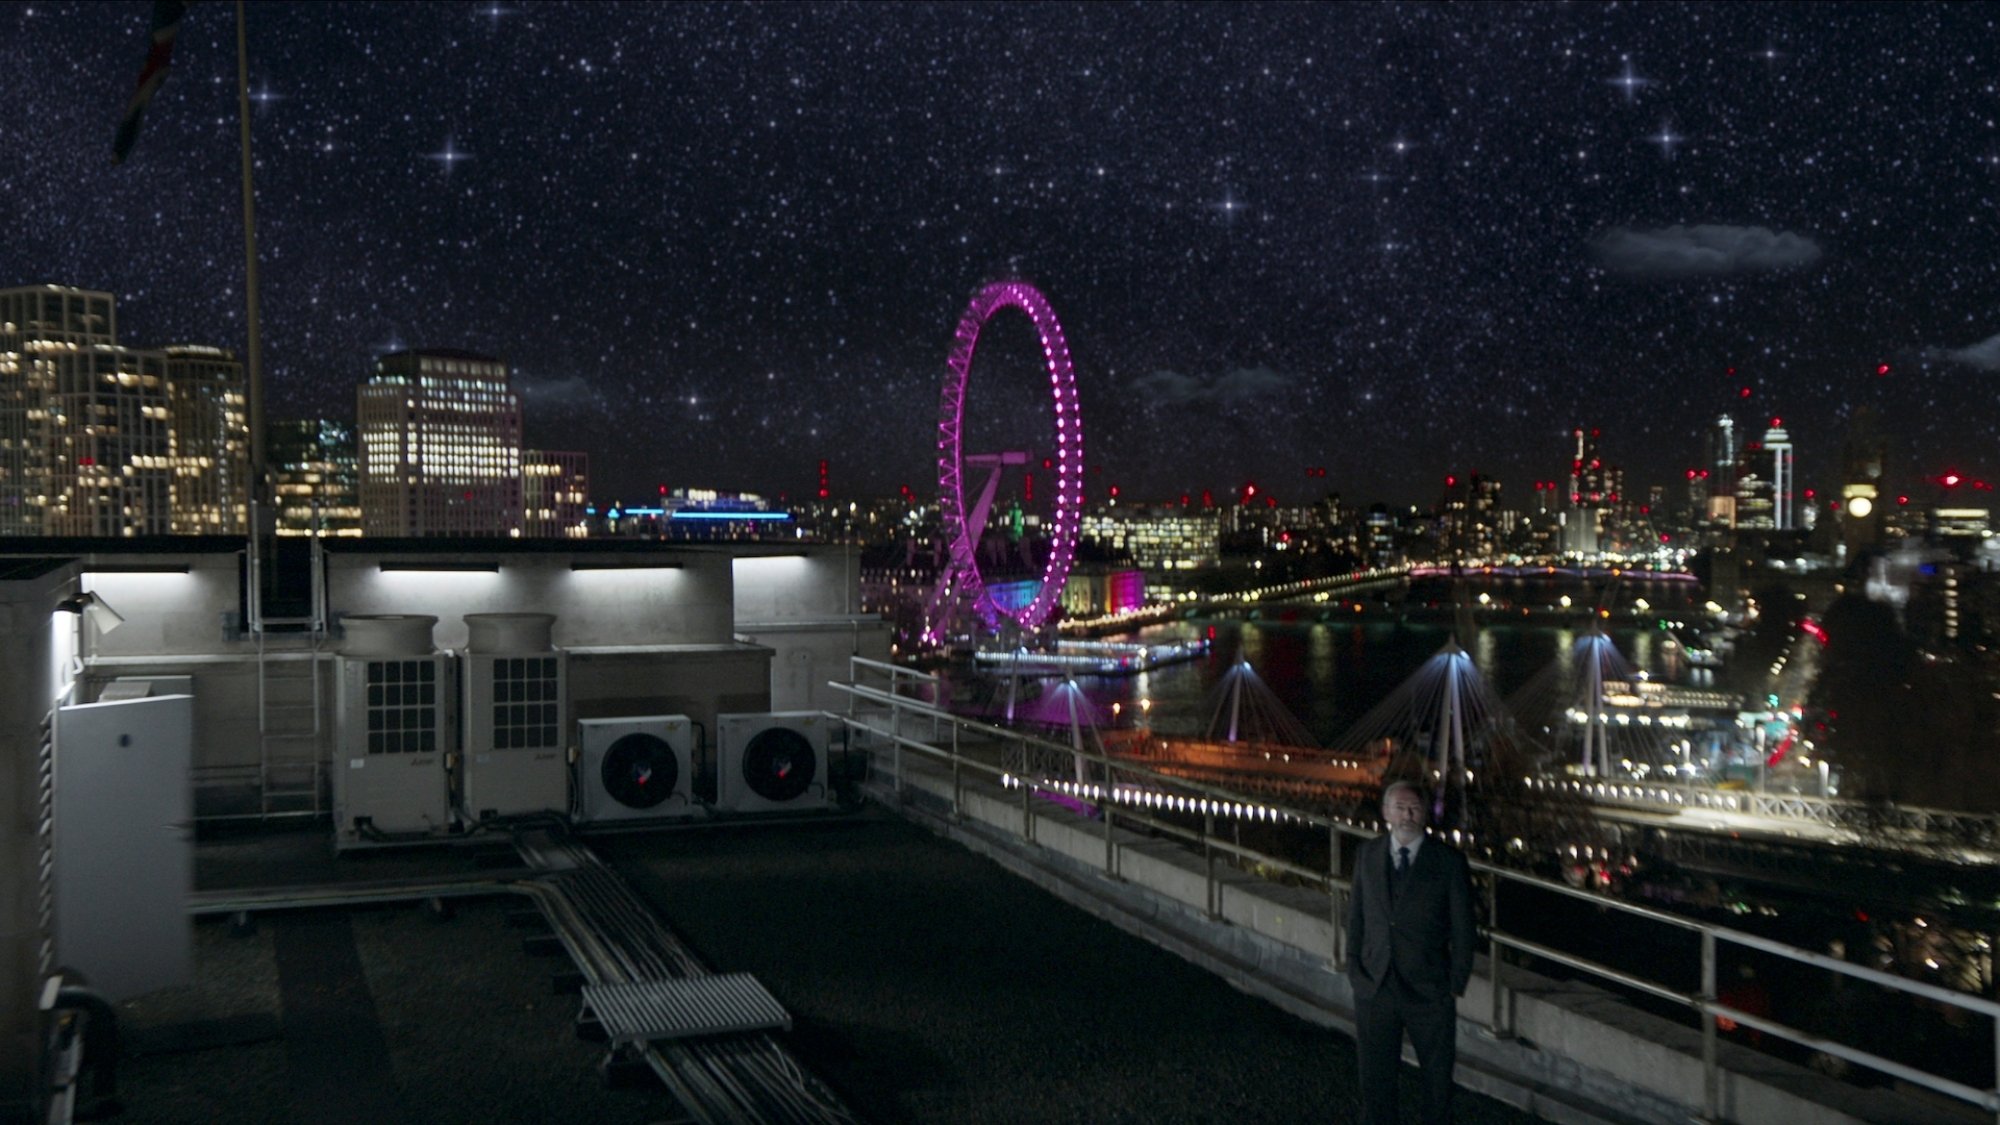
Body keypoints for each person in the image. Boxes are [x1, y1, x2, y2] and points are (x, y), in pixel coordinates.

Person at [1345, 780, 1476, 1125]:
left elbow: (1464, 930)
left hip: (1430, 990)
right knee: (1375, 1081)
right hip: (1375, 986)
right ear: (1386, 812)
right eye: (1400, 807)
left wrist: (1454, 984)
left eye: (1414, 808)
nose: (1407, 814)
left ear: (1425, 814)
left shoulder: (1448, 862)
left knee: (1436, 1083)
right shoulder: (1367, 855)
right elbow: (1356, 917)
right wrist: (1355, 971)